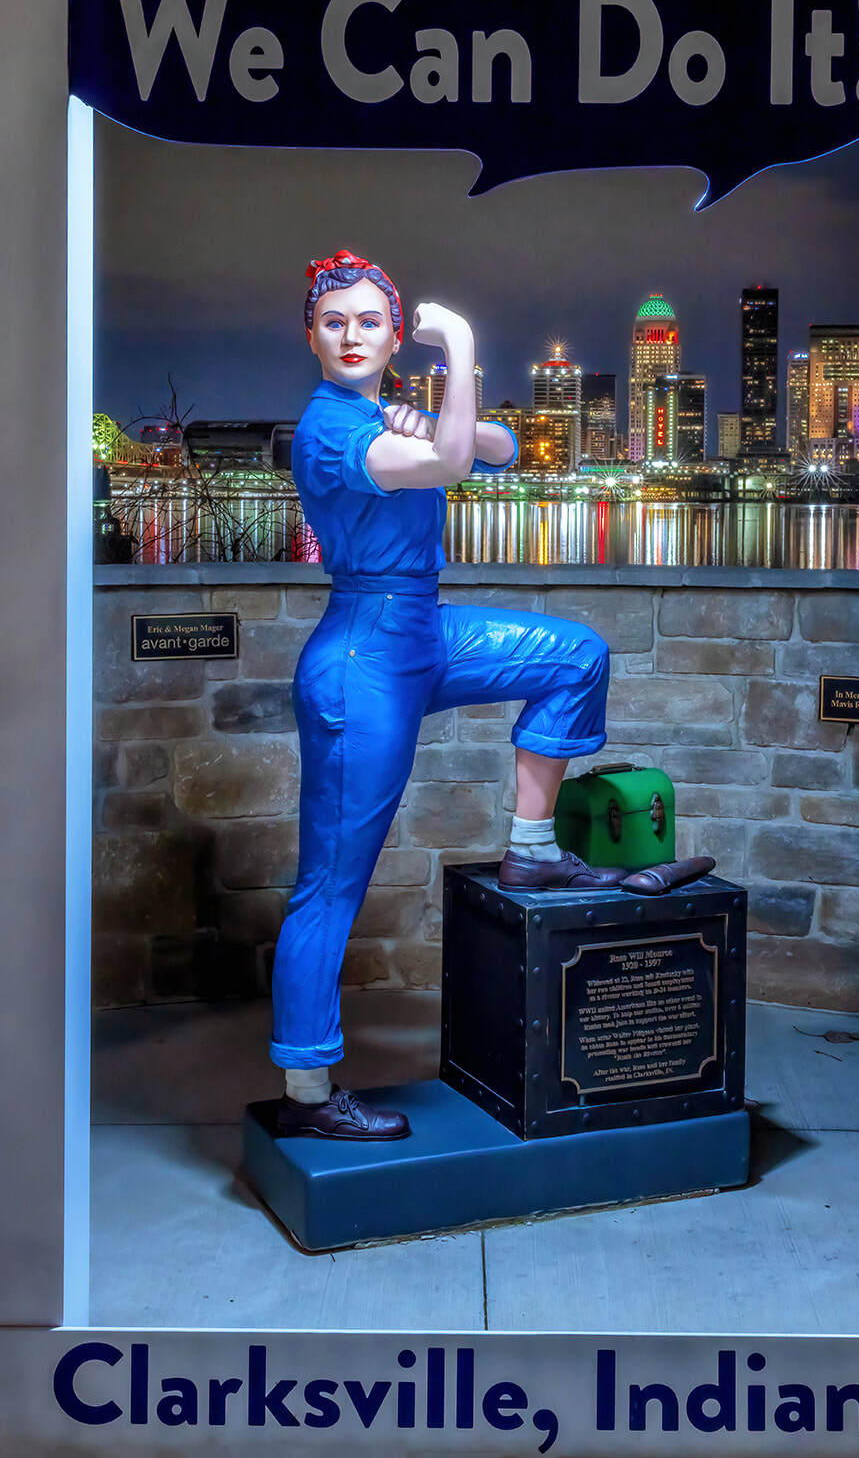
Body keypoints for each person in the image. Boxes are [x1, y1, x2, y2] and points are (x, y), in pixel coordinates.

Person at [272, 249, 622, 1142]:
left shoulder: (380, 413)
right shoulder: (329, 429)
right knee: (329, 887)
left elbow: (496, 450)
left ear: (393, 336)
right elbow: (459, 464)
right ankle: (308, 1095)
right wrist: (459, 347)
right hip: (362, 659)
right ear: (309, 335)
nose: (352, 335)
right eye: (334, 321)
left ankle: (533, 850)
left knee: (575, 656)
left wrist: (434, 418)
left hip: (423, 631)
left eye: (370, 321)